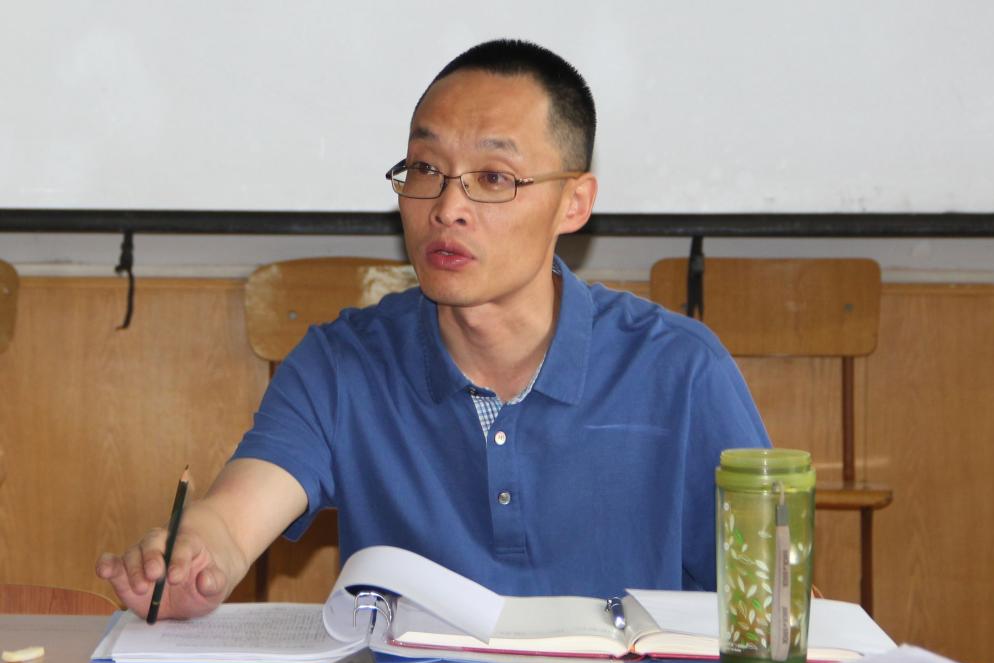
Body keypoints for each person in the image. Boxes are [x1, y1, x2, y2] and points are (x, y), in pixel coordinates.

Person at [96, 39, 769, 620]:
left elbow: (762, 600)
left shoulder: (679, 370)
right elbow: (233, 518)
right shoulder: (343, 362)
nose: (447, 208)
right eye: (426, 169)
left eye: (493, 178)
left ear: (574, 203)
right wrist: (194, 555)